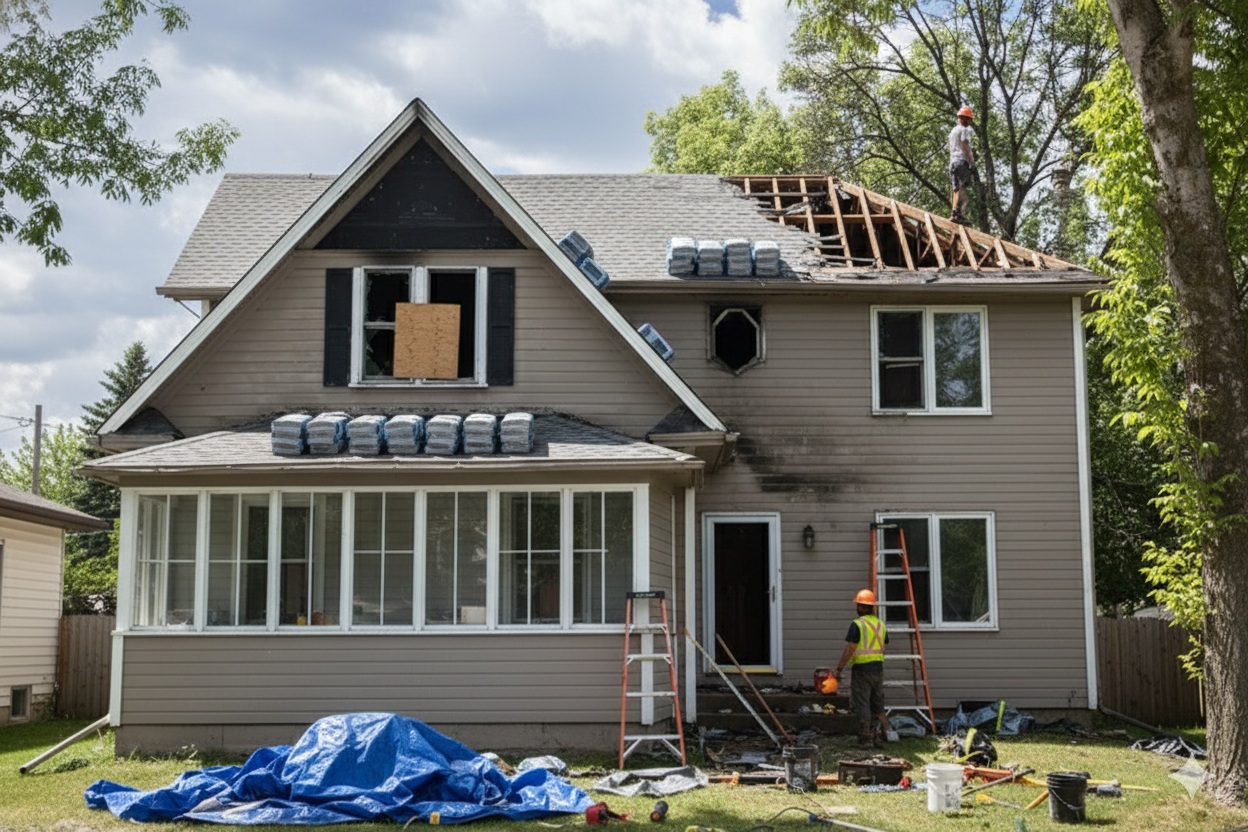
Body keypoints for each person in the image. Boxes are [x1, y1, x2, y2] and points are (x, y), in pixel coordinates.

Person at [833, 588, 893, 745]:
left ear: (867, 608)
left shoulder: (857, 625)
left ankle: (865, 737)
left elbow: (850, 648)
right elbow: (883, 647)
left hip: (862, 670)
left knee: (862, 703)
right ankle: (887, 733)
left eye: (860, 605)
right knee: (878, 703)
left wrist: (839, 668)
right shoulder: (880, 624)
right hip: (878, 669)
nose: (858, 608)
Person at [948, 105, 976, 225]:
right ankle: (958, 214)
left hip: (953, 163)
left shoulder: (953, 131)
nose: (968, 122)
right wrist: (972, 162)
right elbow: (965, 146)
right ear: (965, 119)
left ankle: (954, 213)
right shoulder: (964, 130)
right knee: (963, 191)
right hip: (961, 162)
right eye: (968, 119)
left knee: (956, 189)